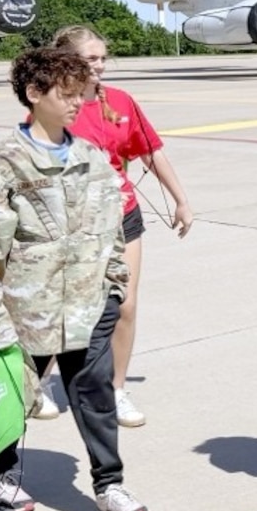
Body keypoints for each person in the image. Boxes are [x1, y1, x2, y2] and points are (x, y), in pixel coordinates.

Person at [0, 44, 147, 511]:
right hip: (23, 314)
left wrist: (114, 290)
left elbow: (112, 233)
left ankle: (109, 485)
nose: (79, 102)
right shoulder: (2, 166)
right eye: (68, 93)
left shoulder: (91, 158)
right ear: (34, 94)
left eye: (83, 93)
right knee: (13, 394)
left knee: (95, 393)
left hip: (87, 306)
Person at [46, 25, 194, 429]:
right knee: (68, 306)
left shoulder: (122, 101)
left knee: (125, 306)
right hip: (73, 222)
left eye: (102, 58)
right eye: (90, 59)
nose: (99, 66)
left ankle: (117, 388)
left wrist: (180, 199)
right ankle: (38, 381)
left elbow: (151, 152)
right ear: (68, 61)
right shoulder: (55, 104)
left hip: (123, 215)